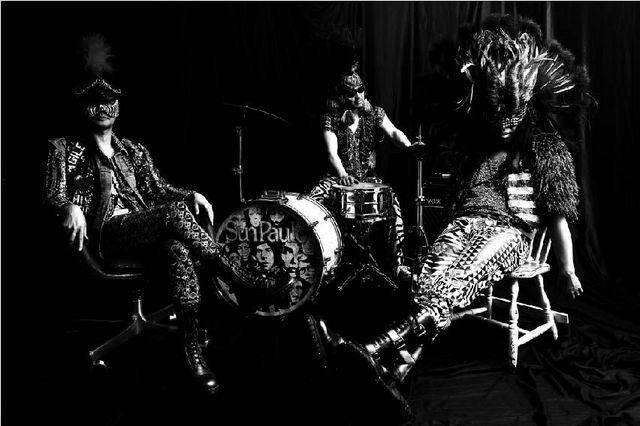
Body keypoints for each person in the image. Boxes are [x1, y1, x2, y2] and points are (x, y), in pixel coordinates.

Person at [317, 15, 588, 420]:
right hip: (465, 223)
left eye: (509, 113)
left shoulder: (544, 150)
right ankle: (395, 367)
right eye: (493, 112)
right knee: (430, 281)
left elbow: (558, 216)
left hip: (510, 233)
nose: (502, 122)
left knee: (456, 283)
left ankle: (375, 349)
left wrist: (567, 269)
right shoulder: (475, 148)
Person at [44, 35, 291, 396]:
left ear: (118, 106)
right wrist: (66, 205)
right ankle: (239, 279)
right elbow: (54, 193)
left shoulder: (134, 151)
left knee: (177, 246)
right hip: (104, 235)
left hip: (143, 231)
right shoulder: (64, 149)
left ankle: (192, 352)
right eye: (94, 101)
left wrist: (190, 194)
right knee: (175, 216)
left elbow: (160, 189)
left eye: (109, 100)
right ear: (82, 106)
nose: (102, 107)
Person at [308, 61, 420, 278]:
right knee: (313, 203)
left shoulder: (375, 113)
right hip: (336, 178)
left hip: (367, 179)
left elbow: (393, 132)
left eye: (360, 90)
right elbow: (331, 152)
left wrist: (409, 147)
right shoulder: (331, 118)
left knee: (393, 204)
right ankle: (316, 265)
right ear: (341, 96)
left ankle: (397, 265)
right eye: (351, 93)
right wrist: (343, 175)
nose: (358, 96)